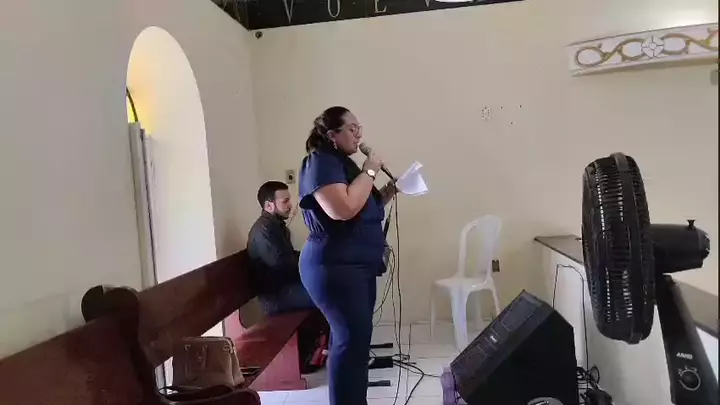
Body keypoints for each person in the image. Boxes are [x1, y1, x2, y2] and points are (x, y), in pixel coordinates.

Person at [298, 106, 397, 405]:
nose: (359, 134)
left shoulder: (343, 164)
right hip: (335, 266)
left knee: (357, 342)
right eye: (352, 129)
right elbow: (342, 209)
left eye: (359, 128)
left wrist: (389, 190)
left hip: (358, 266)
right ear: (332, 134)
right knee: (349, 342)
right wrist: (371, 169)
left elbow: (362, 205)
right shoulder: (320, 161)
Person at [247, 181, 316, 316]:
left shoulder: (276, 226)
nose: (290, 205)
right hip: (275, 297)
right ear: (269, 205)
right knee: (327, 292)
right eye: (285, 201)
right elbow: (283, 265)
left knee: (330, 285)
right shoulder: (263, 231)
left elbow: (289, 258)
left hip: (286, 288)